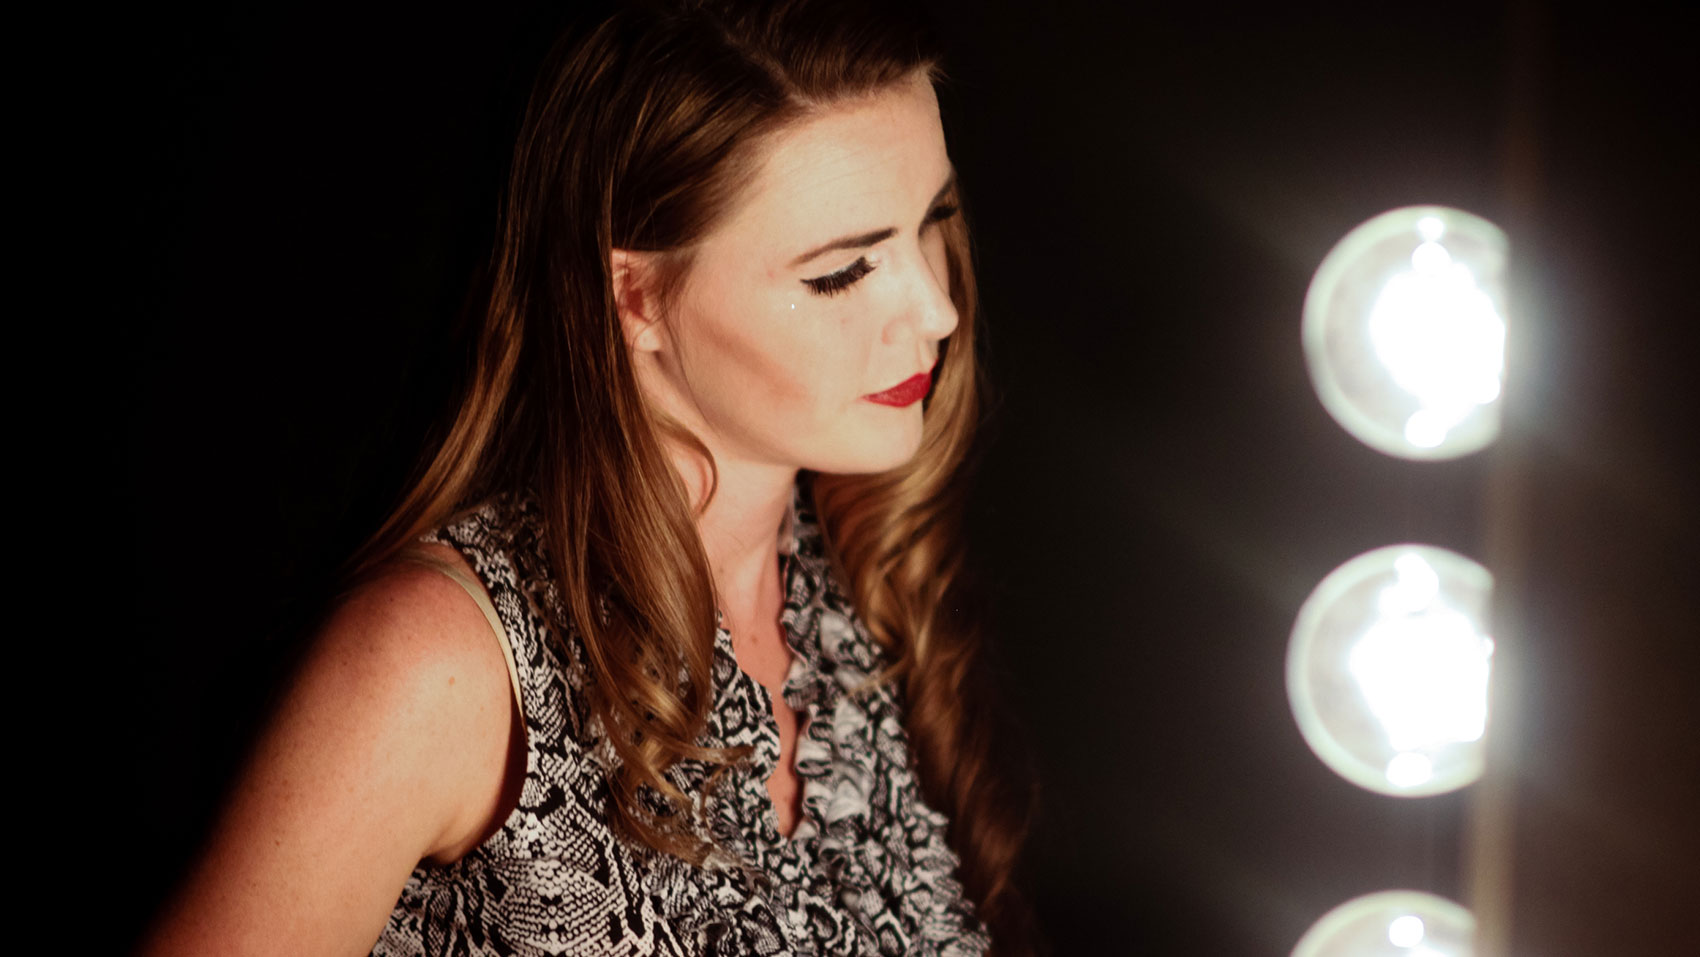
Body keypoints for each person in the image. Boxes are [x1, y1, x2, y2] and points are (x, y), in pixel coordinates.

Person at [143, 0, 1033, 953]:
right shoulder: (438, 665)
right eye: (841, 273)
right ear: (636, 297)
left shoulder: (860, 581)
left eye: (932, 223)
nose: (936, 309)